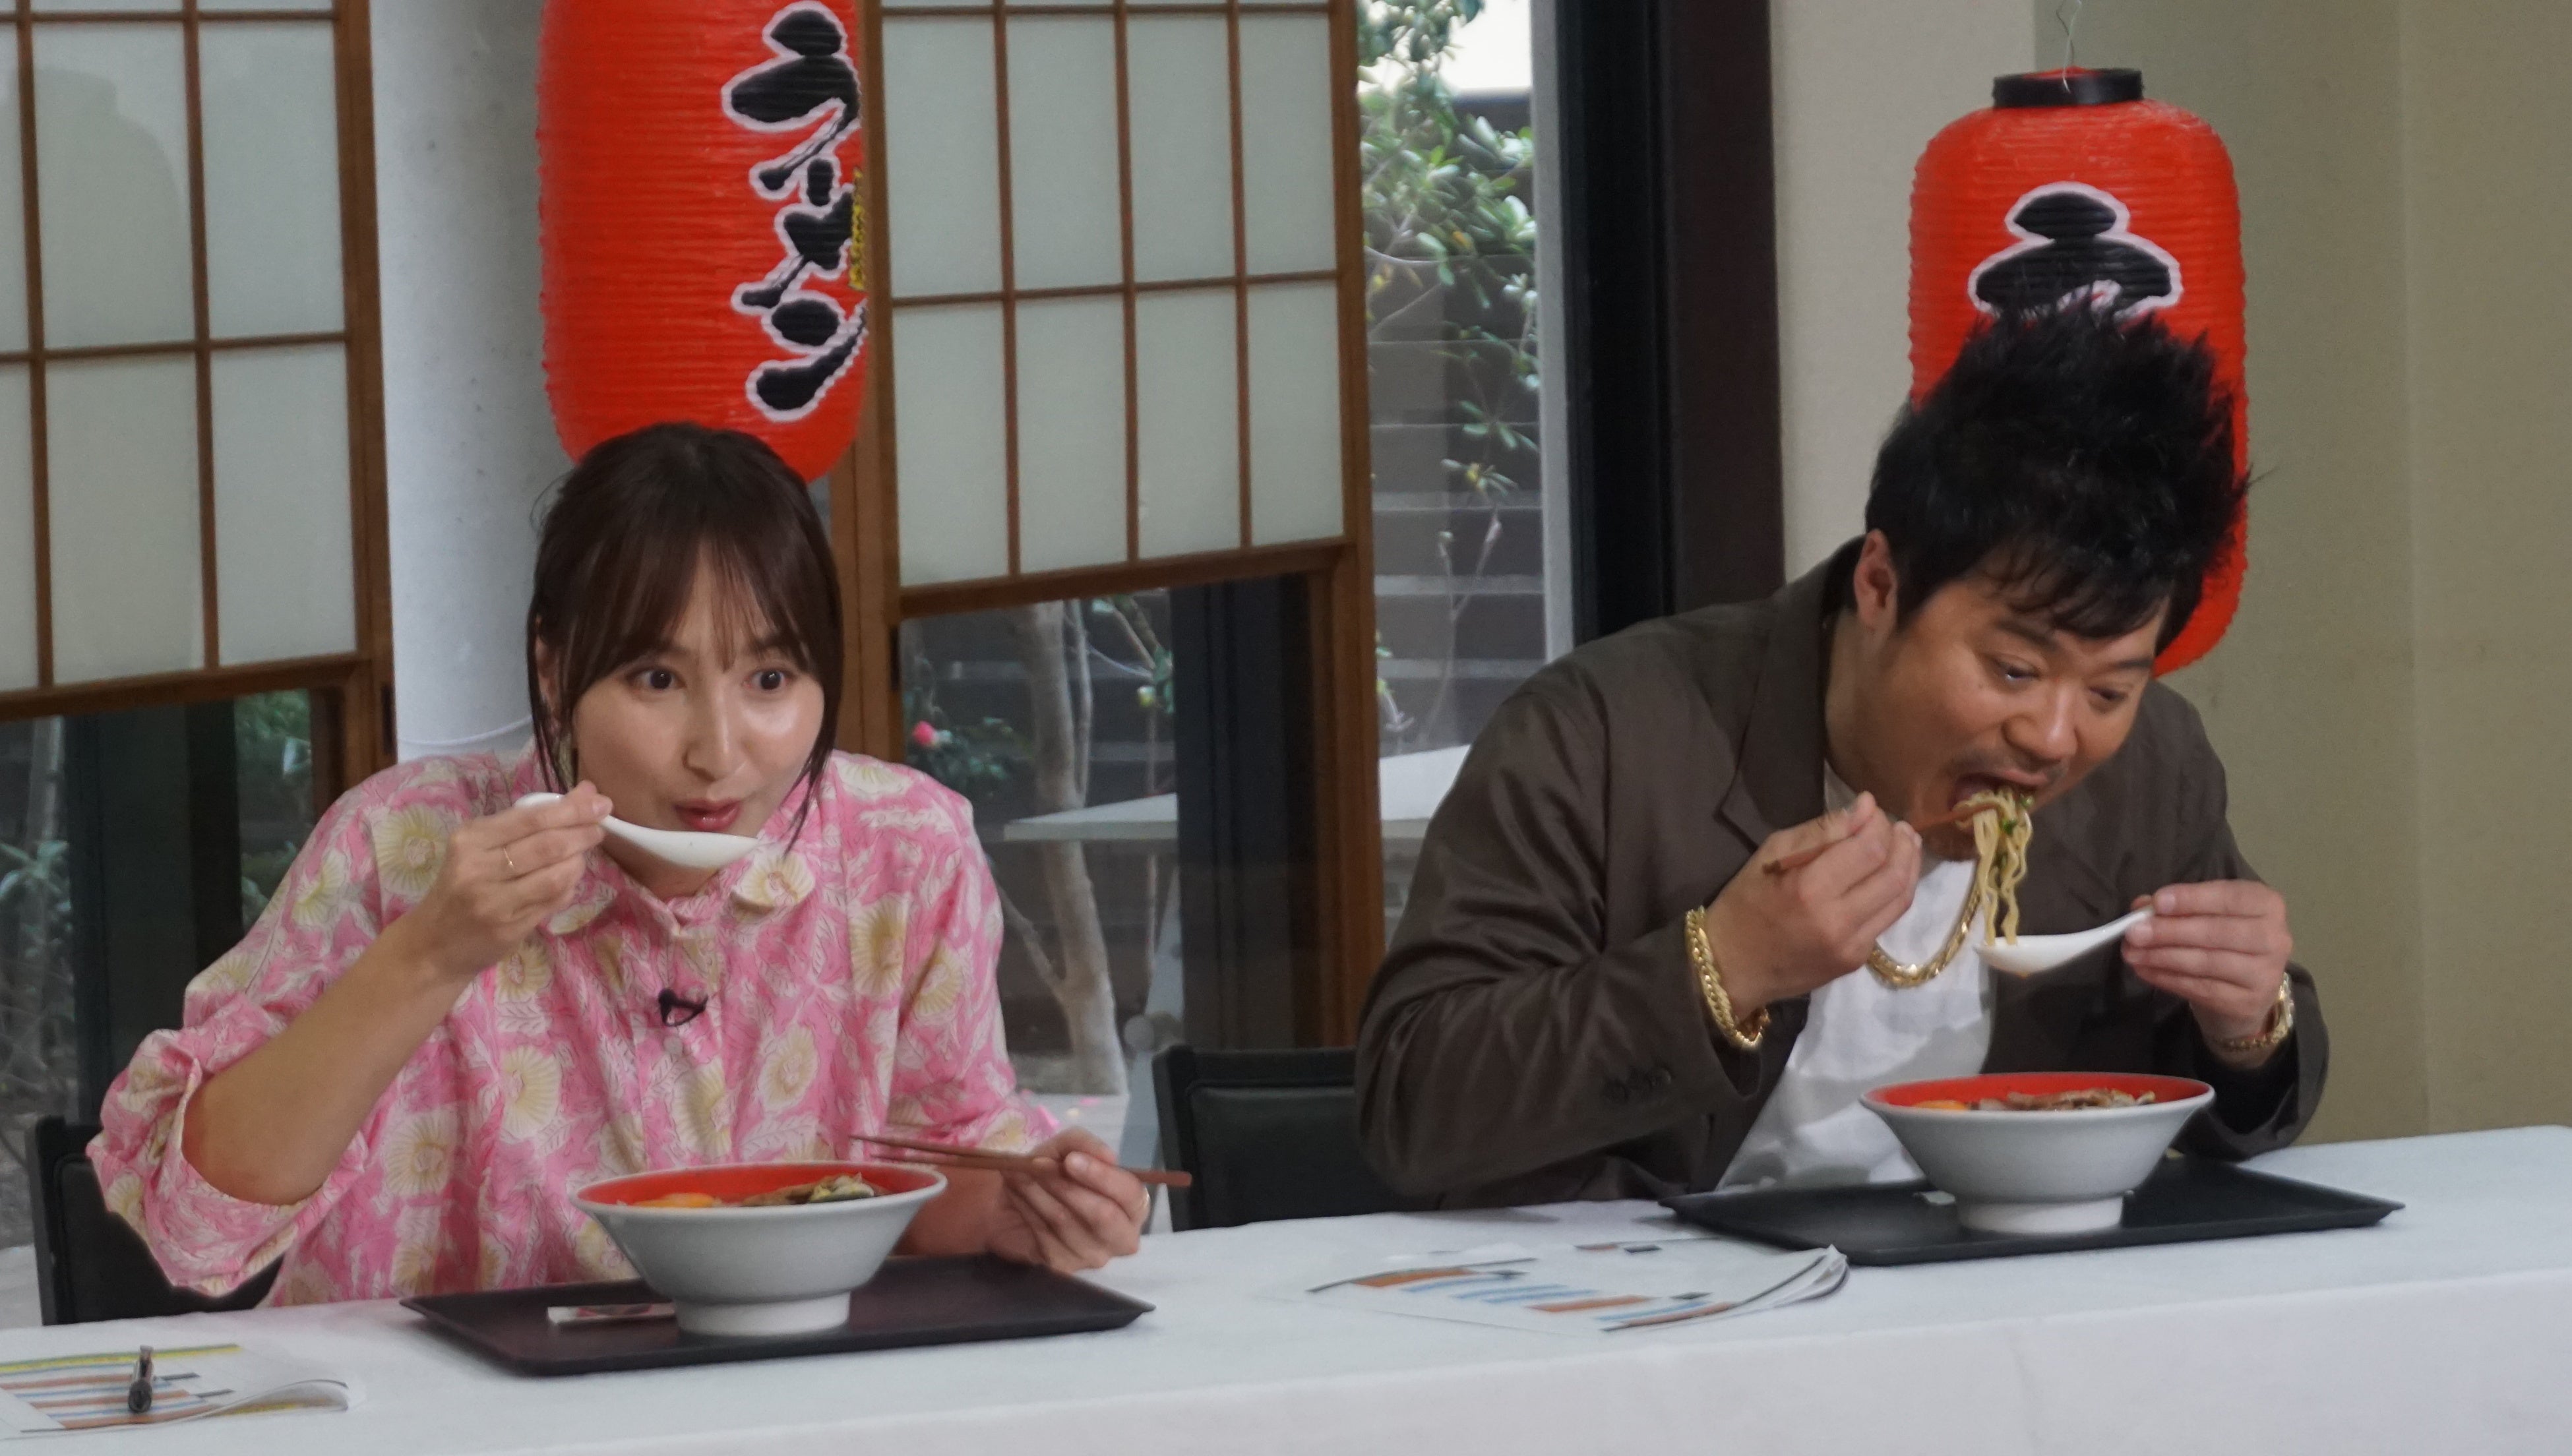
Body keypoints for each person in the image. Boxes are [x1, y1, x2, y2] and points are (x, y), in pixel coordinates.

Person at [91, 423, 1149, 1302]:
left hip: (787, 1406)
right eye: (656, 679)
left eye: (770, 679)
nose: (719, 753)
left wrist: (1022, 1210)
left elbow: (928, 1173)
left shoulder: (904, 849)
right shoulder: (402, 843)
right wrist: (430, 954)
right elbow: (194, 1224)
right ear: (555, 670)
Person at [1355, 307, 2325, 1205]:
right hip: (1671, 1309)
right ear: (1880, 584)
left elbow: (2248, 1100)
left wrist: (2246, 1023)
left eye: (2109, 690)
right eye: (2015, 669)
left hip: (1999, 1295)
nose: (2055, 737)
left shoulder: (2151, 768)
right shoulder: (1605, 735)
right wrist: (1723, 968)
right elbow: (1417, 1104)